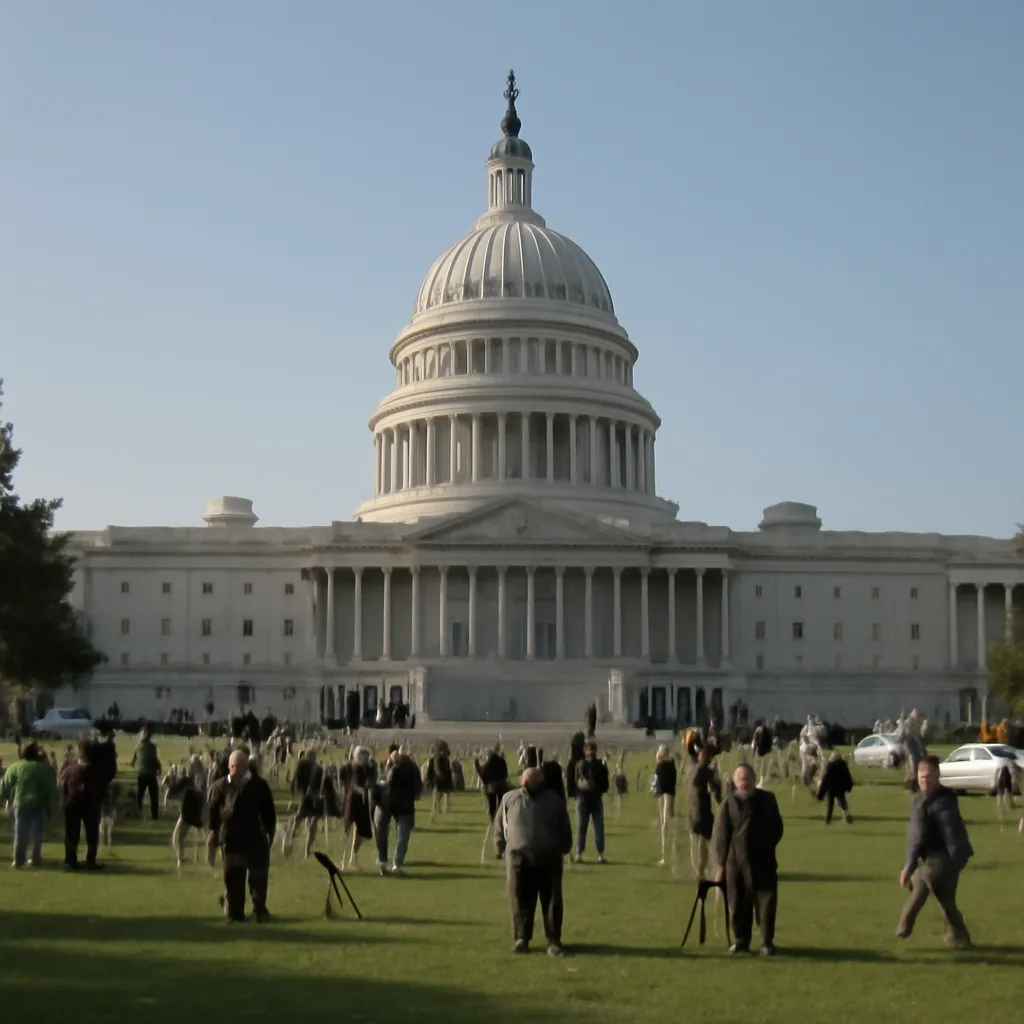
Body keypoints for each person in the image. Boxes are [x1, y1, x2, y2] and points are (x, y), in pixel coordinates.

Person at [494, 766, 573, 956]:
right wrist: (500, 848)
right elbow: (499, 825)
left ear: (538, 782)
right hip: (519, 858)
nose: (524, 784)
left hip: (549, 858)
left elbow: (564, 827)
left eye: (529, 781)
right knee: (520, 899)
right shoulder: (510, 799)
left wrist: (564, 847)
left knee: (551, 901)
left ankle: (554, 940)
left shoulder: (554, 801)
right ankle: (522, 938)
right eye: (524, 780)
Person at [897, 755, 973, 948]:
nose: (925, 782)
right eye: (922, 778)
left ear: (938, 776)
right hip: (929, 856)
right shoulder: (918, 802)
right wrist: (909, 865)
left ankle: (905, 925)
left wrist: (956, 862)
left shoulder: (946, 801)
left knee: (925, 881)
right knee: (944, 899)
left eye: (929, 777)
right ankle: (959, 936)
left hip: (947, 856)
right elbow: (915, 837)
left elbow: (953, 832)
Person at [713, 762, 784, 956]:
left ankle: (767, 943)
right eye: (740, 779)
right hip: (736, 862)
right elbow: (721, 835)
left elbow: (777, 828)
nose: (744, 782)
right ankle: (741, 941)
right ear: (734, 781)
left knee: (766, 905)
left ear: (754, 779)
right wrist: (720, 863)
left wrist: (765, 845)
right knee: (738, 904)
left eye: (747, 778)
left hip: (764, 861)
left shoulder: (767, 800)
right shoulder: (729, 803)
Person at [207, 749, 277, 923]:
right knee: (233, 879)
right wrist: (213, 834)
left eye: (238, 766)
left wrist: (270, 834)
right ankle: (234, 914)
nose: (234, 769)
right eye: (232, 766)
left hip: (255, 840)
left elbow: (269, 814)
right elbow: (213, 814)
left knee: (258, 879)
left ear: (246, 767)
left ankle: (259, 912)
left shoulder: (259, 786)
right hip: (231, 841)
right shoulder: (219, 787)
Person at [0, 742, 57, 868]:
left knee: (20, 831)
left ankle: (18, 859)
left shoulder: (16, 766)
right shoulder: (44, 769)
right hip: (39, 802)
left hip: (21, 801)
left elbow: (5, 784)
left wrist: (4, 797)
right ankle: (35, 858)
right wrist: (50, 806)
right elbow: (51, 787)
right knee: (37, 833)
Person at [373, 743, 423, 875]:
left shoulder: (390, 766)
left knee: (384, 832)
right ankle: (394, 863)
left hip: (388, 802)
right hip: (401, 804)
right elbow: (418, 788)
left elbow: (382, 781)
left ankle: (384, 861)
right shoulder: (411, 767)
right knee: (401, 835)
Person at [61, 737, 104, 871]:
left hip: (72, 802)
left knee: (71, 832)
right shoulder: (96, 770)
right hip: (90, 803)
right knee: (92, 832)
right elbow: (100, 787)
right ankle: (90, 860)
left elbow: (63, 785)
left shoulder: (71, 768)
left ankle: (70, 859)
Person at [687, 746, 721, 879]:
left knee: (697, 840)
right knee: (706, 840)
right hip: (702, 810)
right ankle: (701, 871)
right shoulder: (706, 771)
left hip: (693, 809)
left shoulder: (694, 769)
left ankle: (699, 869)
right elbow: (716, 790)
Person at [573, 741, 609, 863]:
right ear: (585, 751)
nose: (591, 752)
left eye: (593, 750)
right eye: (589, 750)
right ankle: (579, 852)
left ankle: (599, 853)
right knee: (582, 826)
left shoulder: (598, 765)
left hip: (593, 798)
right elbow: (576, 781)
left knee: (597, 827)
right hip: (584, 798)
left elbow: (605, 784)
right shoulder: (582, 765)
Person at [653, 745, 677, 866]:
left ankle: (666, 855)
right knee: (664, 823)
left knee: (665, 824)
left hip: (668, 794)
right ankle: (666, 853)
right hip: (662, 794)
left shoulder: (668, 763)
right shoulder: (661, 764)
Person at [130, 727, 161, 821]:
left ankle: (138, 812)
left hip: (142, 774)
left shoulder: (137, 747)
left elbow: (132, 762)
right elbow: (154, 760)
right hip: (151, 774)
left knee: (140, 795)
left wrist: (137, 766)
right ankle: (155, 815)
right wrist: (158, 769)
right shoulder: (152, 747)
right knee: (154, 796)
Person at [817, 752, 854, 824]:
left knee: (830, 804)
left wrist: (820, 794)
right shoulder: (843, 765)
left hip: (831, 788)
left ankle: (828, 819)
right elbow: (848, 777)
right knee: (842, 801)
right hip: (840, 787)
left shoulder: (830, 766)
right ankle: (846, 814)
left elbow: (825, 780)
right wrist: (849, 786)